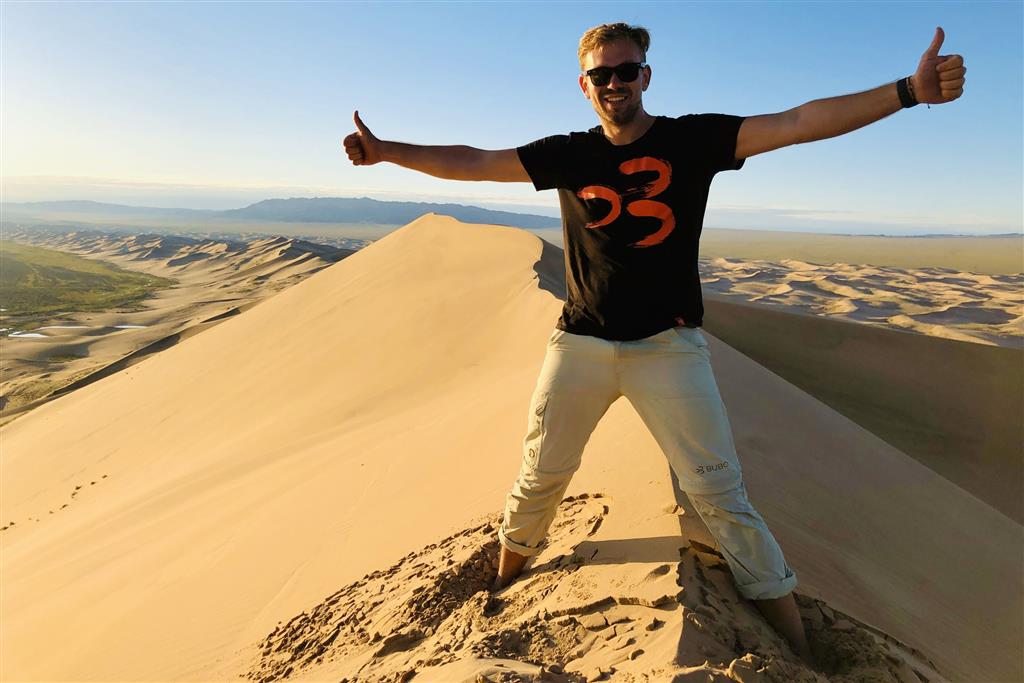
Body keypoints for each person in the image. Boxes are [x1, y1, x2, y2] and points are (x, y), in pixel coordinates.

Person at [342, 22, 965, 666]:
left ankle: (801, 648)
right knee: (539, 478)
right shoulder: (566, 154)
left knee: (720, 495)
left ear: (646, 75)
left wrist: (907, 91)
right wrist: (386, 151)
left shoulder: (693, 140)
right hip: (580, 344)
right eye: (601, 74)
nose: (614, 83)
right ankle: (502, 587)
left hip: (670, 349)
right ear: (584, 85)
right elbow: (473, 162)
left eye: (626, 70)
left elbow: (797, 121)